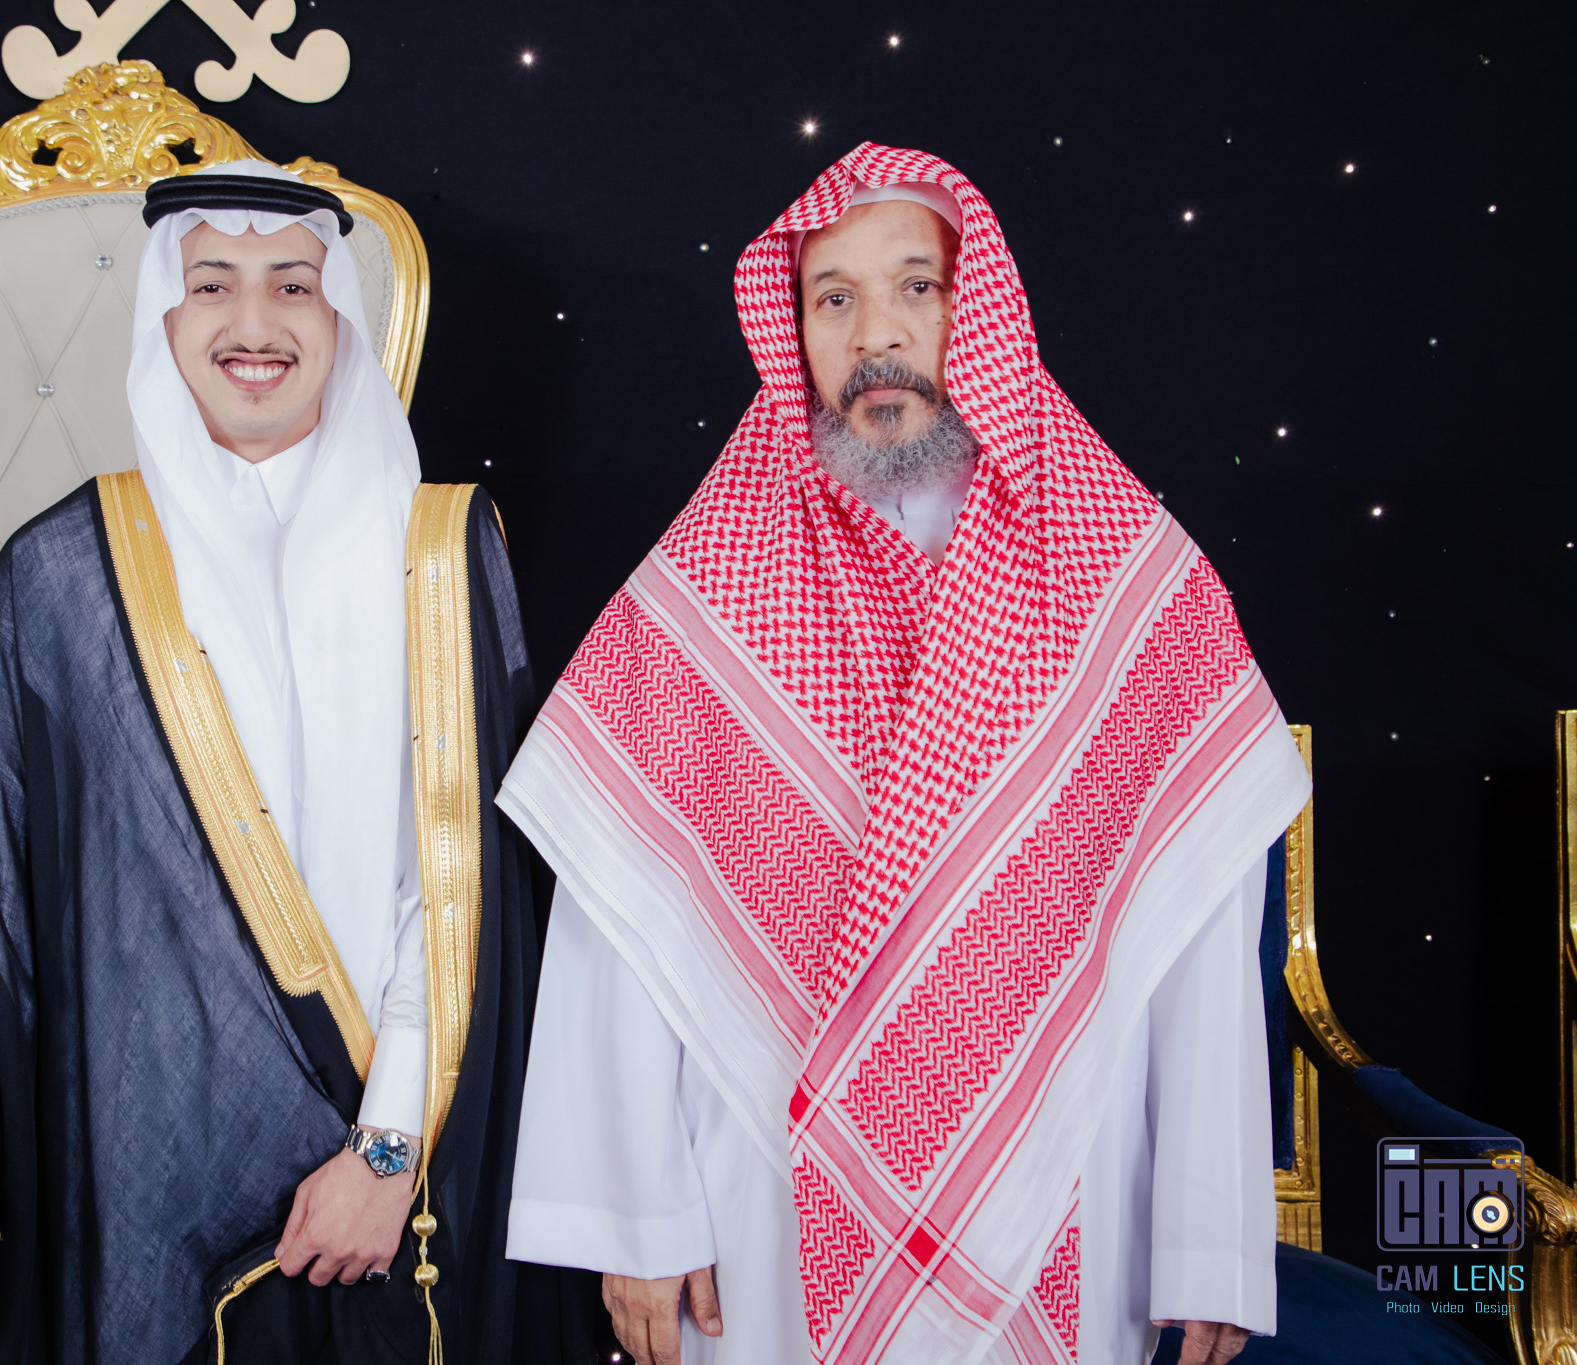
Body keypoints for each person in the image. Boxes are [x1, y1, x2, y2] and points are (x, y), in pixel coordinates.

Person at [501, 145, 1308, 1365]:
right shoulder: (708, 582)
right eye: (833, 297)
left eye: (914, 288)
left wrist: (1206, 1241)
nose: (874, 334)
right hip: (764, 1182)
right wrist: (636, 1215)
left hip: (1061, 1173)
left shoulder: (1133, 587)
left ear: (977, 309)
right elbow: (620, 912)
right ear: (793, 330)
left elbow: (1198, 924)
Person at [0, 160, 585, 1365]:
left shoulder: (440, 550)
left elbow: (468, 893)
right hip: (142, 1188)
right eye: (212, 284)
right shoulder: (55, 579)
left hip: (406, 1163)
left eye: (292, 285)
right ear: (164, 318)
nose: (254, 322)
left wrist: (384, 1152)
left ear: (339, 318)